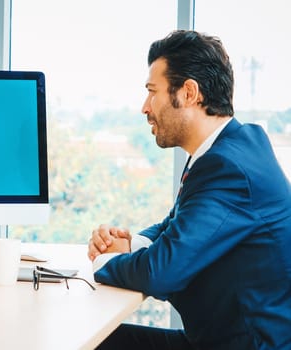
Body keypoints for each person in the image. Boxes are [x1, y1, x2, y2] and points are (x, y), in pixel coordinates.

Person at [88, 30, 291, 349]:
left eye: (152, 92)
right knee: (95, 340)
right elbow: (175, 223)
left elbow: (160, 273)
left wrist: (101, 262)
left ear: (189, 93)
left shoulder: (227, 168)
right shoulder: (233, 146)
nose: (145, 107)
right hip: (219, 339)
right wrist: (131, 244)